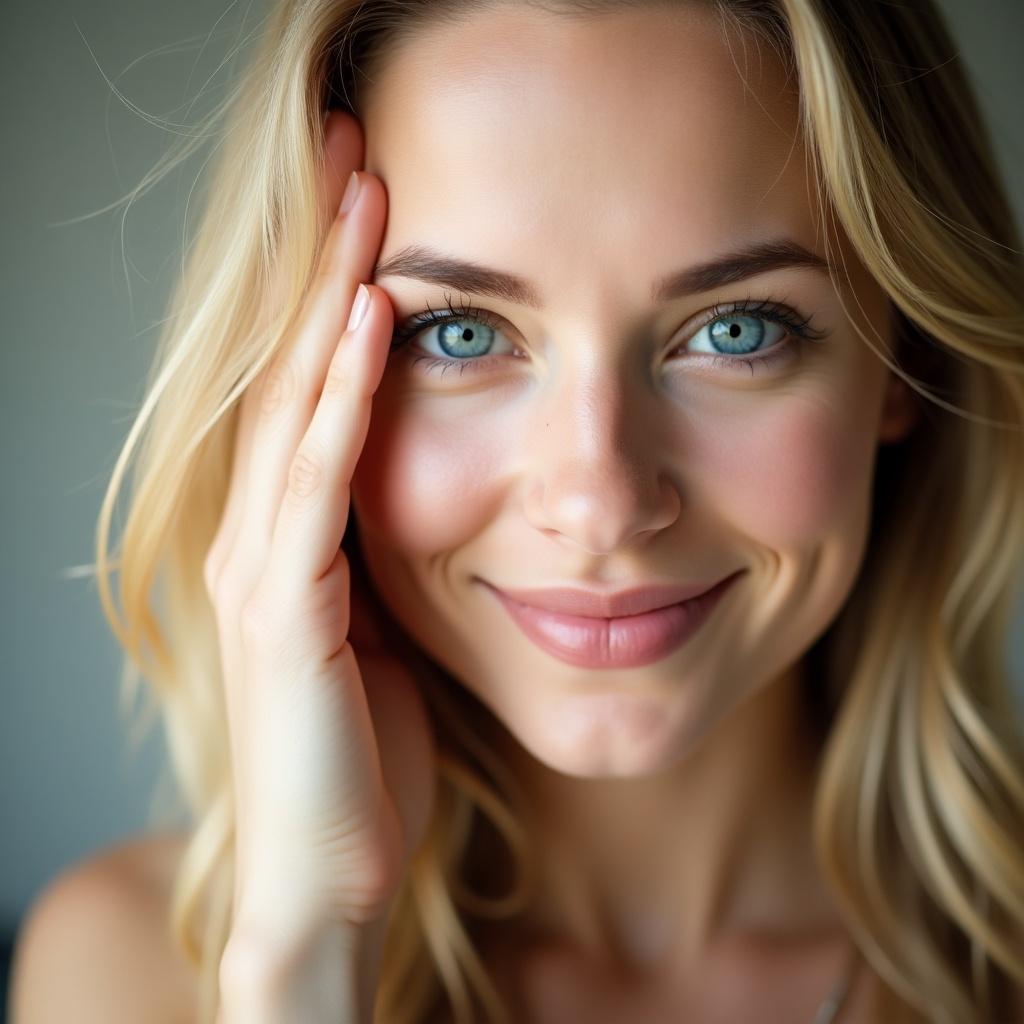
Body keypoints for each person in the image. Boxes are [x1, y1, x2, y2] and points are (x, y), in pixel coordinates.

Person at [9, 0, 1024, 1022]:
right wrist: (311, 952)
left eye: (733, 328)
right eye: (457, 335)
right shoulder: (126, 972)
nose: (601, 503)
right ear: (302, 391)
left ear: (904, 359)